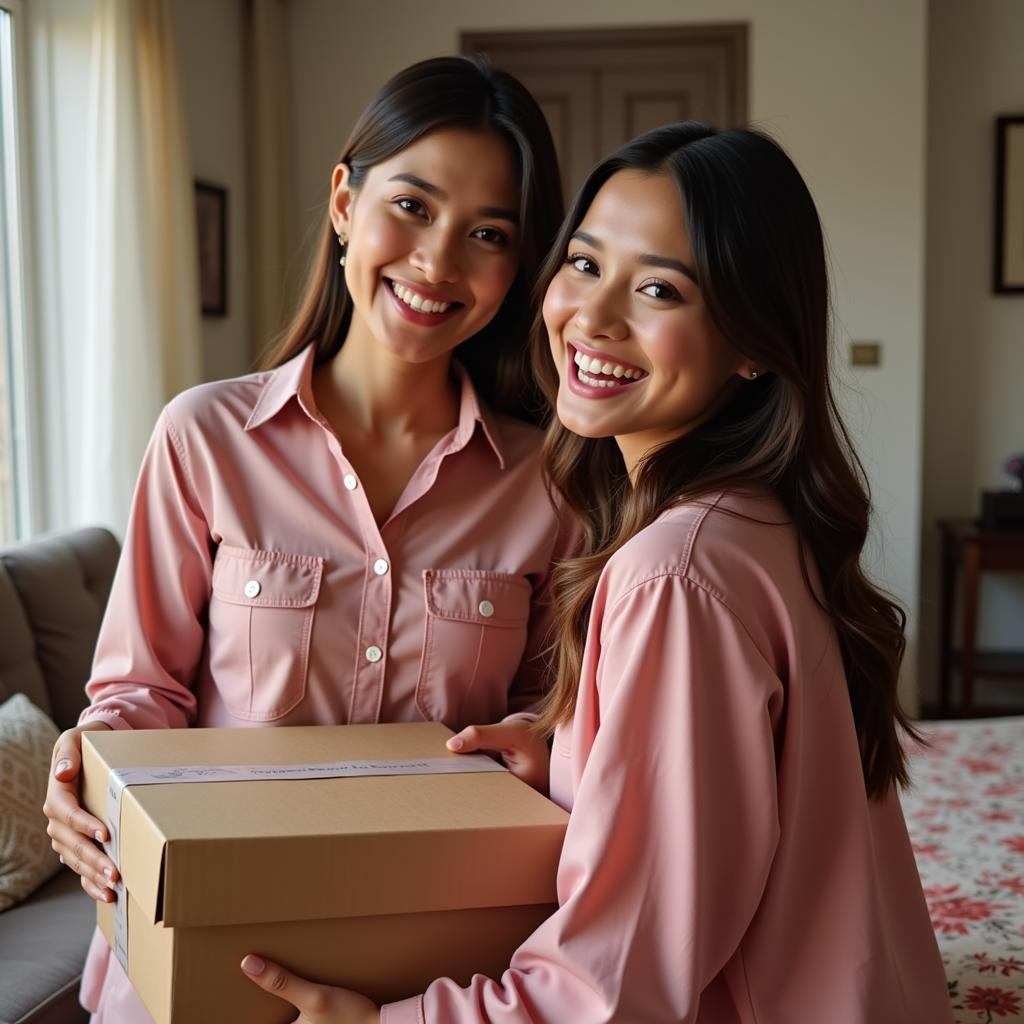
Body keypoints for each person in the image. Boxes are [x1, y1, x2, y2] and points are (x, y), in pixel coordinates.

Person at [241, 122, 953, 1023]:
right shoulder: (760, 524)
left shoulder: (674, 574)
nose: (594, 316)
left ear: (753, 344)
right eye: (583, 264)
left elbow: (617, 981)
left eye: (660, 288)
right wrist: (580, 758)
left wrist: (388, 1021)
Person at [42, 55, 570, 1024]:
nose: (437, 261)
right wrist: (89, 765)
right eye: (411, 206)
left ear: (517, 267)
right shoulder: (202, 437)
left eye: (486, 233)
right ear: (343, 201)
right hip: (199, 951)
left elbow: (554, 722)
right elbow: (138, 691)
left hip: (429, 971)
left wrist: (546, 741)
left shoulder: (547, 484)